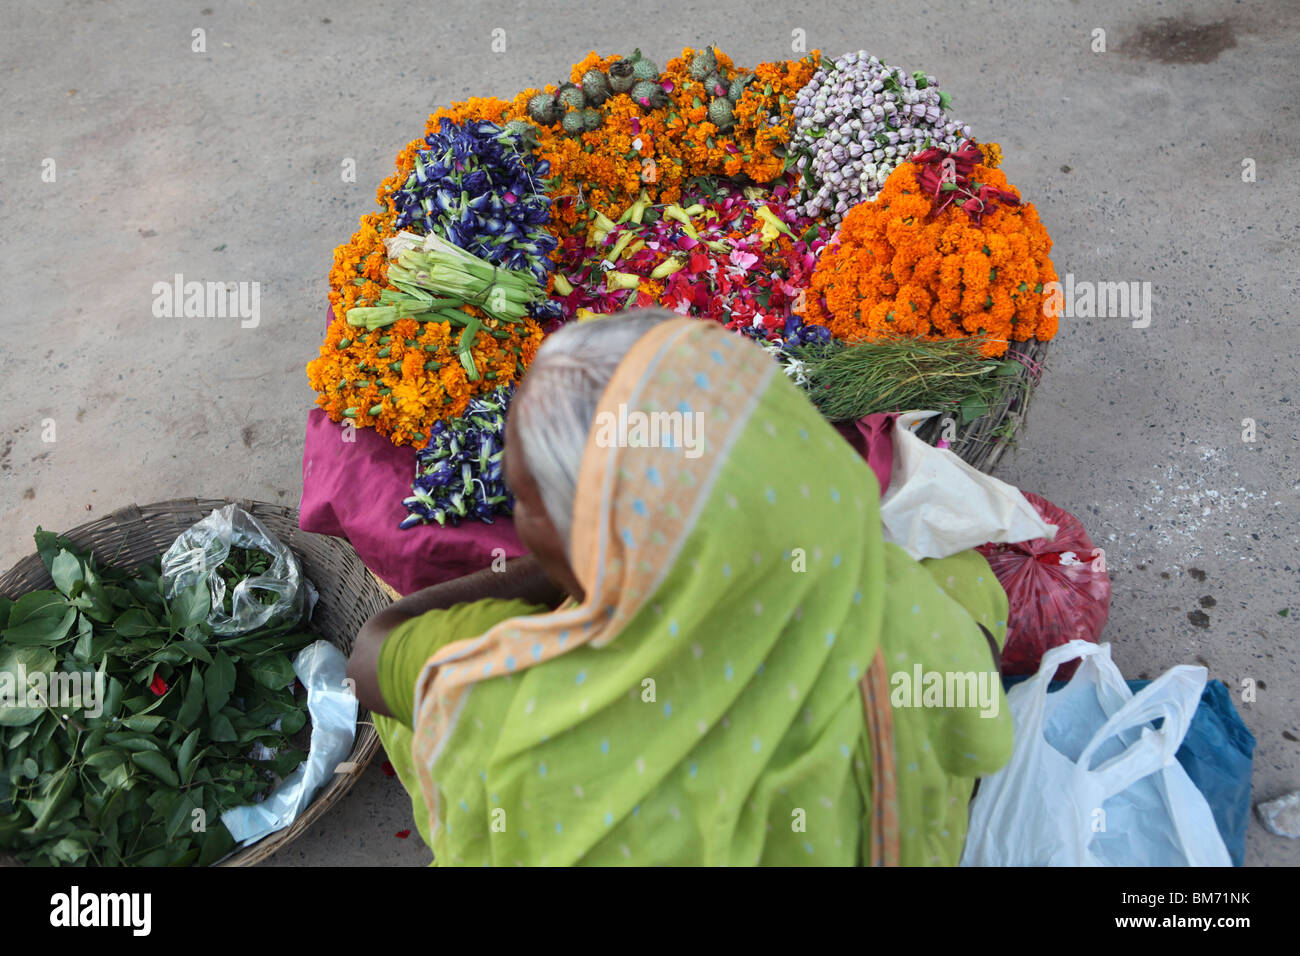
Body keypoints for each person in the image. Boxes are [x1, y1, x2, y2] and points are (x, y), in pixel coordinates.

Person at [348, 308, 1012, 865]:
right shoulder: (892, 605)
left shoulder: (506, 692)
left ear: (578, 538)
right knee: (963, 579)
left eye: (527, 501)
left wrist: (564, 574)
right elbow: (974, 675)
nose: (521, 521)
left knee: (423, 702)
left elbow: (374, 651)